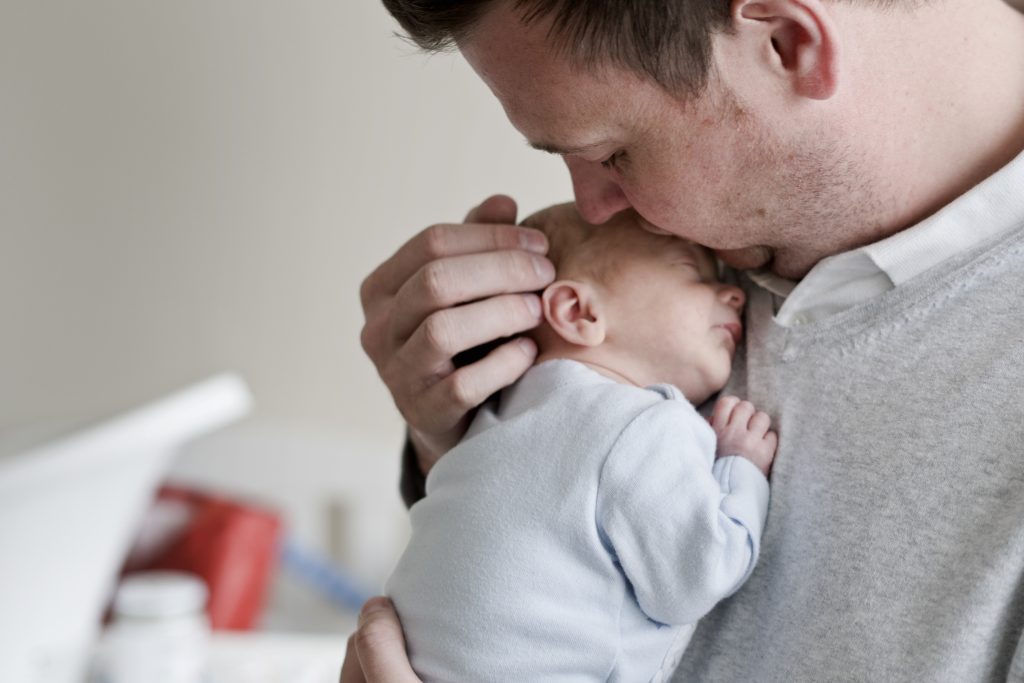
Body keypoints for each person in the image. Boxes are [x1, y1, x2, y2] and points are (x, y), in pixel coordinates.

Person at [347, 0, 1024, 680]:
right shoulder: (714, 226)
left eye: (615, 153)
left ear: (788, 44)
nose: (593, 207)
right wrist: (454, 430)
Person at [385, 203, 776, 682]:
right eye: (690, 270)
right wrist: (740, 468)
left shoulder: (490, 421)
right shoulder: (647, 425)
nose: (733, 294)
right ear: (579, 311)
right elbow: (699, 575)